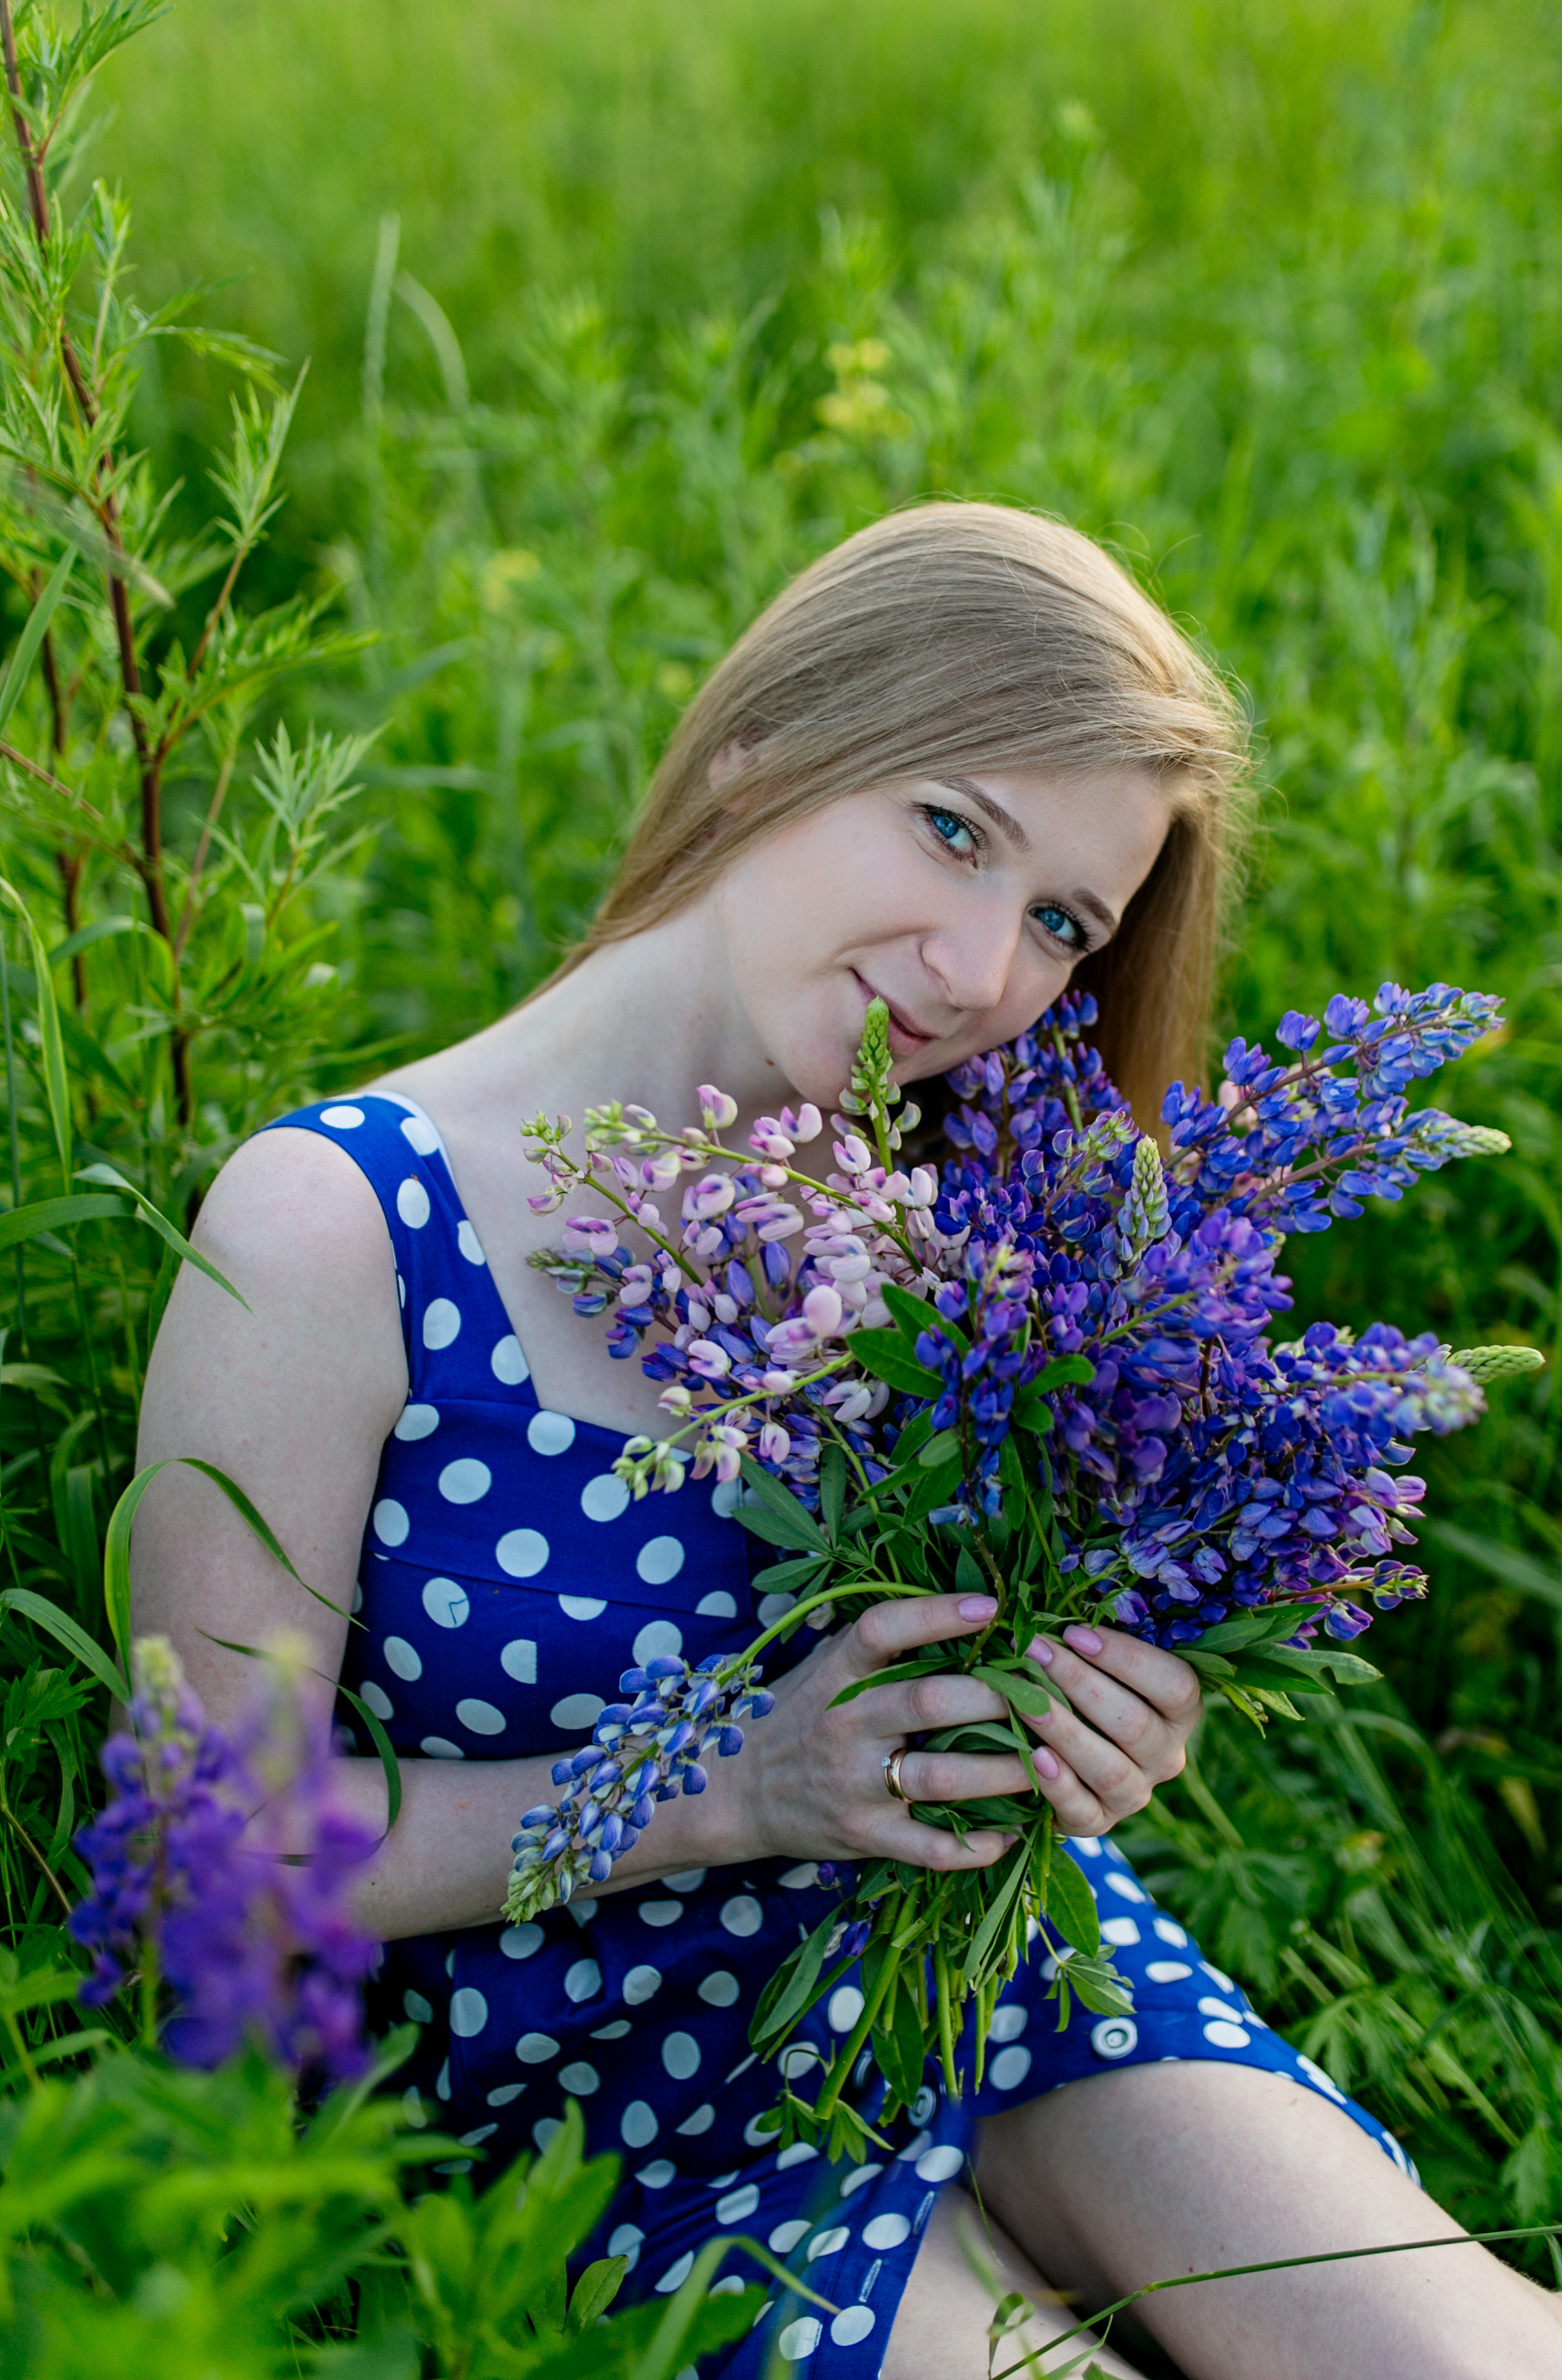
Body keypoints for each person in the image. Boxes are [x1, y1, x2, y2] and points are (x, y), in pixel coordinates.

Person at [133, 503, 1562, 2379]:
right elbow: (194, 1856)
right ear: (768, 741)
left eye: (1064, 920)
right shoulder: (337, 1226)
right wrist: (736, 1788)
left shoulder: (984, 1236)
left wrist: (1109, 1713)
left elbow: (1010, 1657)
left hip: (994, 1986)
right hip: (582, 2120)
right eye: (954, 827)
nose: (982, 971)